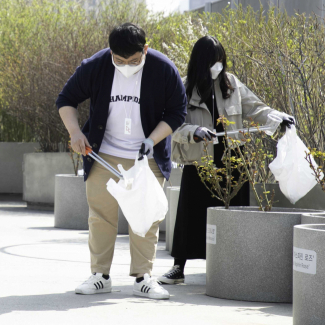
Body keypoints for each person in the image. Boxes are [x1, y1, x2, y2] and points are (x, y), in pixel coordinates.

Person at [56, 23, 187, 300]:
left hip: (145, 154)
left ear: (145, 49)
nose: (126, 65)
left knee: (146, 216)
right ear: (111, 52)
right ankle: (100, 275)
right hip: (103, 153)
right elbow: (66, 99)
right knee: (101, 215)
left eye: (134, 61)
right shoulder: (97, 65)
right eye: (119, 60)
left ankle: (143, 278)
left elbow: (177, 111)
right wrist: (75, 132)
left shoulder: (163, 68)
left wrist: (153, 139)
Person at [159, 36, 295, 285]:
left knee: (235, 212)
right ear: (201, 62)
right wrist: (195, 132)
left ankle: (233, 263)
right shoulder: (184, 87)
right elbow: (171, 125)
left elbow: (255, 107)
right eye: (214, 61)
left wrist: (278, 117)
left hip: (234, 158)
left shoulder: (231, 84)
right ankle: (178, 267)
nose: (218, 65)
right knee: (191, 213)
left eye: (221, 60)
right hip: (201, 161)